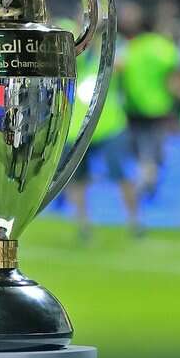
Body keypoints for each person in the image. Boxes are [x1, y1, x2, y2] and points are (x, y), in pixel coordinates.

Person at [65, 38, 139, 240]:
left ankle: (134, 221)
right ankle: (83, 224)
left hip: (109, 125)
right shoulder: (72, 49)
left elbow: (122, 65)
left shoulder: (112, 46)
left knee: (122, 173)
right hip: (77, 127)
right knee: (76, 178)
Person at [118, 22, 179, 199]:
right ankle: (151, 173)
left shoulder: (131, 47)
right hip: (158, 106)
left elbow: (120, 69)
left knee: (140, 146)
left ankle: (147, 173)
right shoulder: (164, 47)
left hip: (134, 105)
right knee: (153, 144)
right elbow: (174, 75)